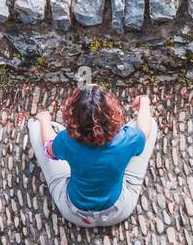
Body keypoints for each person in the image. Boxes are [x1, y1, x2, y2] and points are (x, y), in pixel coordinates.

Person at [27, 85, 157, 228]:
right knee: (148, 123)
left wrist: (45, 120)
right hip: (118, 211)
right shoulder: (127, 139)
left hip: (76, 214)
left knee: (37, 129)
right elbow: (145, 130)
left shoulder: (67, 140)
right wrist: (144, 101)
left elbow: (48, 149)